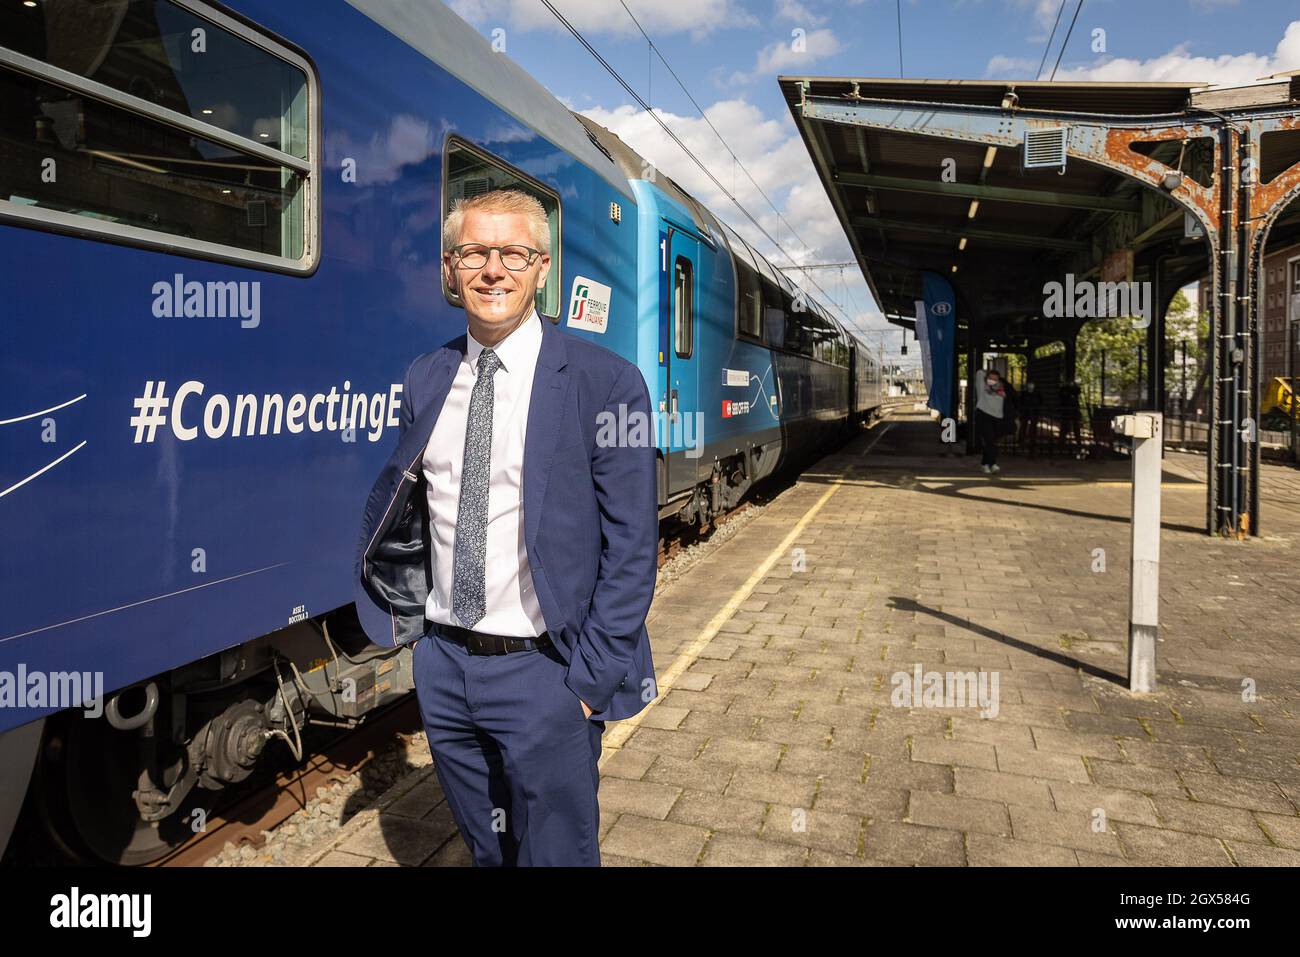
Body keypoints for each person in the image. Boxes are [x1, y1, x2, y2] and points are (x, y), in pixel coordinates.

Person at [354, 189, 658, 866]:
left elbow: (634, 548)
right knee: (487, 852)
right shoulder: (426, 376)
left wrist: (587, 686)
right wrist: (421, 650)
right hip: (444, 666)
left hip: (544, 675)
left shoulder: (608, 384)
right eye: (474, 253)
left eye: (512, 253)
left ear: (542, 267)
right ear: (451, 266)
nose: (493, 269)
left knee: (553, 857)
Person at [973, 368, 1010, 473]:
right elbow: (979, 373)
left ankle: (985, 463)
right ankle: (992, 463)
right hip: (984, 416)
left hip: (997, 418)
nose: (992, 380)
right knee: (990, 441)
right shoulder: (983, 388)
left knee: (992, 442)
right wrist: (987, 371)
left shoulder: (1001, 390)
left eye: (995, 379)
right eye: (990, 378)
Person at [1019, 380, 1042, 454]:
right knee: (1023, 427)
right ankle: (1022, 441)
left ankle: (1032, 442)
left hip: (1033, 412)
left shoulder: (1037, 393)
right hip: (1025, 412)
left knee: (1032, 428)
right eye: (1029, 384)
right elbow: (1021, 401)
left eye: (1031, 384)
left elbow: (1041, 401)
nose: (1030, 386)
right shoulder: (1024, 393)